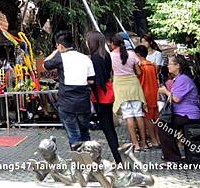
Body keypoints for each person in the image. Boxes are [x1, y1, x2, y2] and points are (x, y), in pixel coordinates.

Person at [43, 31, 95, 149]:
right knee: (85, 134)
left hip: (67, 103)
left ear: (60, 45)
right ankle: (89, 161)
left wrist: (54, 52)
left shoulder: (60, 57)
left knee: (74, 136)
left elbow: (45, 65)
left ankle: (78, 163)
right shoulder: (85, 58)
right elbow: (91, 80)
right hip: (83, 102)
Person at [85, 31, 122, 164]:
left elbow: (97, 81)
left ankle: (118, 159)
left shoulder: (96, 57)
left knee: (108, 129)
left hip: (101, 96)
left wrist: (86, 80)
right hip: (107, 93)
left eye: (87, 40)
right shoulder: (105, 55)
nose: (86, 42)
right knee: (109, 128)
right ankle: (118, 156)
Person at [157, 55, 200, 162]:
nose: (168, 66)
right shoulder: (179, 79)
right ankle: (172, 154)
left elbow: (176, 99)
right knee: (164, 124)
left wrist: (165, 91)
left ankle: (173, 157)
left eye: (170, 63)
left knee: (163, 125)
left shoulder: (183, 79)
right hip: (181, 113)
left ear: (178, 66)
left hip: (188, 114)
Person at [110, 34, 148, 152]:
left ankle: (135, 144)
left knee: (128, 115)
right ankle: (144, 143)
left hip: (120, 87)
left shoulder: (110, 56)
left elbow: (110, 72)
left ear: (112, 44)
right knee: (138, 114)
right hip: (133, 85)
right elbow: (139, 72)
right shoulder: (132, 54)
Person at [134, 45, 161, 148]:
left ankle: (153, 140)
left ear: (137, 55)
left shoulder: (141, 67)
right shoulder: (152, 65)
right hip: (154, 93)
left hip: (145, 94)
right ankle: (158, 139)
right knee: (155, 117)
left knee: (148, 118)